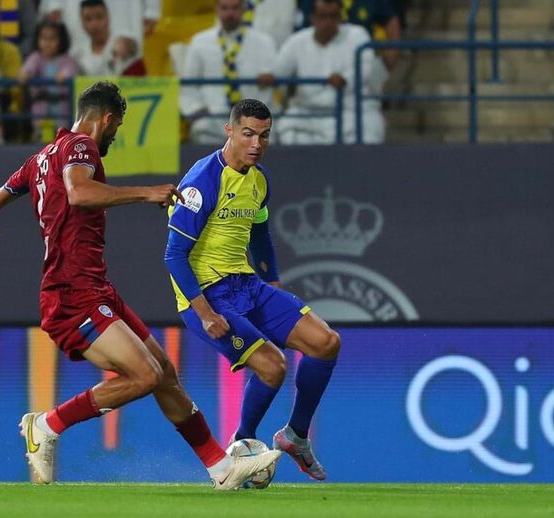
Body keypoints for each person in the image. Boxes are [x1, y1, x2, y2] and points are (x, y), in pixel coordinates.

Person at [0, 81, 280, 490]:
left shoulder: (41, 157)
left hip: (94, 287)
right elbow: (79, 193)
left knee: (163, 373)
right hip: (71, 292)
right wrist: (146, 193)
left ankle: (221, 469)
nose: (114, 135)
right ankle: (46, 425)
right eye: (117, 127)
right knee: (145, 375)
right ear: (107, 119)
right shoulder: (81, 146)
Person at [165, 99, 341, 481]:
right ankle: (241, 445)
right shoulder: (203, 182)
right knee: (273, 367)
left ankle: (295, 436)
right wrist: (205, 313)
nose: (256, 144)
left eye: (264, 136)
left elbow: (260, 236)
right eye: (248, 134)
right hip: (206, 295)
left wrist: (274, 287)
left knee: (326, 342)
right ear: (229, 131)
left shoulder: (259, 180)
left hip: (246, 284)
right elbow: (174, 256)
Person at [260, 0, 385, 144]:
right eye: (323, 16)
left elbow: (364, 69)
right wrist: (270, 76)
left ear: (340, 17)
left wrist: (344, 80)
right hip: (308, 113)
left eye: (333, 16)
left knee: (369, 131)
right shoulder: (297, 41)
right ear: (312, 18)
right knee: (286, 127)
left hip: (349, 111)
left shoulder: (357, 36)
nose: (328, 22)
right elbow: (279, 71)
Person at [179, 0, 276, 145]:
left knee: (268, 136)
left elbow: (271, 83)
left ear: (244, 9)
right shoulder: (199, 42)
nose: (230, 13)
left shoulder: (264, 42)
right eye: (224, 8)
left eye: (235, 8)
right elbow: (188, 86)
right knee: (201, 128)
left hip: (252, 117)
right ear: (217, 9)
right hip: (213, 115)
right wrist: (196, 109)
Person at [19, 20, 78, 142]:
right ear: (37, 39)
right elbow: (27, 69)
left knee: (61, 139)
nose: (47, 43)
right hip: (41, 107)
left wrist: (64, 75)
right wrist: (25, 74)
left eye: (52, 39)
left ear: (61, 41)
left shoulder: (67, 59)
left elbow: (71, 70)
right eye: (44, 38)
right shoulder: (36, 57)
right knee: (42, 140)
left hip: (62, 109)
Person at [71, 0, 114, 76]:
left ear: (108, 18)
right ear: (82, 23)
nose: (94, 25)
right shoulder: (77, 56)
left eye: (99, 17)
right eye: (88, 19)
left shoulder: (128, 48)